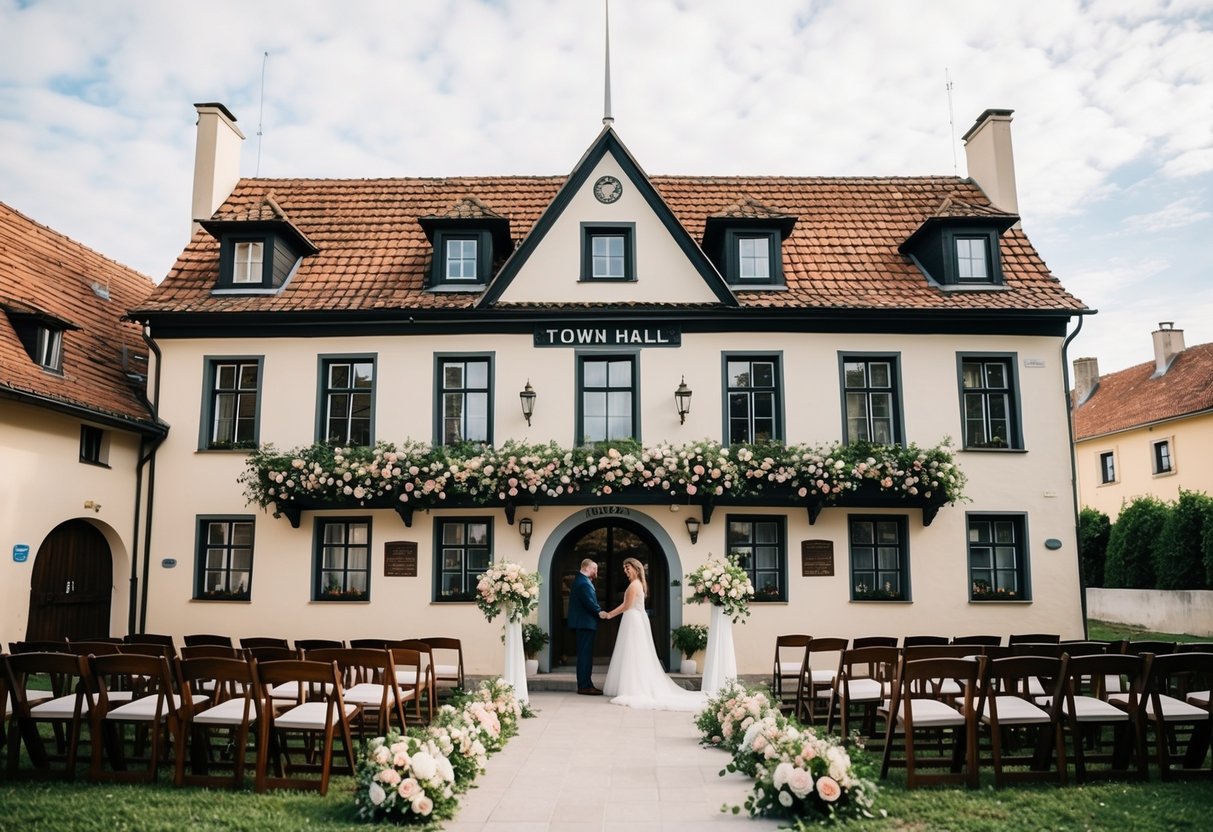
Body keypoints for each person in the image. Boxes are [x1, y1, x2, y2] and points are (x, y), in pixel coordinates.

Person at [601, 557, 707, 711]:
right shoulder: (639, 584)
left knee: (633, 653)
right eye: (624, 569)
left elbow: (626, 605)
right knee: (634, 653)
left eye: (627, 568)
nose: (625, 571)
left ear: (636, 569)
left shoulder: (634, 585)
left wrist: (609, 614)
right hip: (634, 619)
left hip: (632, 620)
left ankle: (633, 687)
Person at [566, 558, 604, 695]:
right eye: (595, 569)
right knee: (585, 656)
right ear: (587, 568)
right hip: (585, 624)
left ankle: (586, 684)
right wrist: (601, 613)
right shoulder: (583, 583)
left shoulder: (581, 581)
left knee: (585, 655)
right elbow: (590, 602)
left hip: (584, 623)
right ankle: (584, 686)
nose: (596, 572)